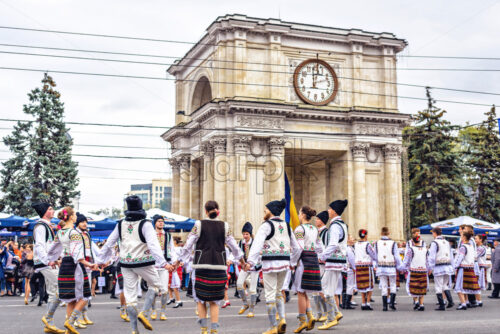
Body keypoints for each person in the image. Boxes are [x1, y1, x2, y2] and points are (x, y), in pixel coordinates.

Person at [97, 195, 170, 334]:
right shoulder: (146, 224)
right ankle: (145, 312)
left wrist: (100, 261)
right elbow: (153, 245)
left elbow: (109, 243)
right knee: (156, 286)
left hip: (125, 263)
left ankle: (134, 330)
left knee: (130, 298)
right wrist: (163, 262)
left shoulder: (120, 224)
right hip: (144, 262)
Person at [174, 200, 244, 334]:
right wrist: (242, 261)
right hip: (219, 266)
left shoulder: (198, 224)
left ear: (205, 211)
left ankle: (204, 330)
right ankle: (214, 330)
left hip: (201, 265)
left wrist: (177, 262)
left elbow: (188, 245)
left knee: (201, 300)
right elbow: (234, 247)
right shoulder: (225, 226)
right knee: (215, 301)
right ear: (218, 210)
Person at [246, 198, 300, 334]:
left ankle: (273, 326)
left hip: (270, 263)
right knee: (278, 292)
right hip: (284, 264)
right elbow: (297, 248)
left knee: (270, 294)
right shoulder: (287, 226)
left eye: (266, 209)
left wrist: (250, 262)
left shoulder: (266, 225)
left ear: (271, 211)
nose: (265, 210)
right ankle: (282, 319)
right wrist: (292, 262)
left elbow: (256, 245)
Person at [47, 207, 98, 334]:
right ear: (71, 217)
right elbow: (77, 255)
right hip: (75, 266)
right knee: (85, 296)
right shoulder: (74, 233)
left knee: (71, 299)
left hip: (64, 264)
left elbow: (53, 249)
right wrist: (90, 264)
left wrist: (53, 260)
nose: (76, 216)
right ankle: (70, 322)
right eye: (74, 214)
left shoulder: (60, 232)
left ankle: (69, 330)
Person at [32, 201, 65, 334]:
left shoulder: (47, 226)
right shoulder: (40, 226)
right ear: (45, 211)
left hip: (48, 262)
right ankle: (48, 317)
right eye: (50, 209)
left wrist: (57, 258)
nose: (53, 211)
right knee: (61, 286)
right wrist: (47, 260)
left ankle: (49, 324)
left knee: (53, 292)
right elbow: (40, 246)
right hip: (44, 263)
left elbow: (50, 245)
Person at [291, 206, 324, 333]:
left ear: (303, 215)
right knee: (304, 291)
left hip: (303, 261)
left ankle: (302, 321)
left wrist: (293, 262)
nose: (298, 215)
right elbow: (320, 247)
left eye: (299, 213)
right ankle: (310, 316)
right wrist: (320, 257)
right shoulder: (315, 229)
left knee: (300, 291)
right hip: (313, 259)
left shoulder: (300, 229)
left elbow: (298, 248)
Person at [318, 199, 349, 329]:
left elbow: (333, 244)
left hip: (333, 260)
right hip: (338, 260)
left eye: (330, 209)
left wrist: (323, 256)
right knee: (325, 287)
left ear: (334, 211)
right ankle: (335, 312)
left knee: (326, 289)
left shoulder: (335, 226)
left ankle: (331, 318)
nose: (328, 211)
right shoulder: (341, 224)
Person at [73, 213, 101, 326]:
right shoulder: (75, 234)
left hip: (88, 266)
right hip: (78, 265)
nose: (85, 224)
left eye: (86, 222)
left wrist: (101, 260)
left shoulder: (87, 234)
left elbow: (94, 249)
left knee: (86, 291)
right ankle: (76, 317)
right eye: (82, 222)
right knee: (78, 293)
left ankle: (84, 315)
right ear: (77, 223)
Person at [150, 214, 175, 321]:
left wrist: (174, 262)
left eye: (162, 221)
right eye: (159, 221)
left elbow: (172, 249)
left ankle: (163, 312)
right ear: (155, 223)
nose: (161, 223)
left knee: (164, 290)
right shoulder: (150, 235)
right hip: (152, 265)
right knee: (154, 290)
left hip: (165, 265)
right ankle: (154, 310)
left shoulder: (168, 235)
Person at [374, 227, 402, 312]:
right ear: (388, 233)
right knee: (393, 284)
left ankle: (384, 306)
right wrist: (399, 266)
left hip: (381, 266)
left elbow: (375, 255)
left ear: (381, 233)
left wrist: (376, 264)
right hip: (391, 266)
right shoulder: (393, 243)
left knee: (384, 285)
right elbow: (396, 256)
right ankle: (392, 304)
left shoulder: (377, 243)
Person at [236, 222, 261, 318]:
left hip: (254, 268)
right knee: (239, 284)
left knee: (252, 289)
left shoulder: (255, 243)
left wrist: (254, 266)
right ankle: (245, 304)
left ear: (250, 234)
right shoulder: (240, 243)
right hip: (245, 266)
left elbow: (259, 257)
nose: (245, 236)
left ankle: (251, 310)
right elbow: (237, 253)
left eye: (247, 234)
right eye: (244, 234)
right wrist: (230, 259)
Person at [427, 227, 454, 310]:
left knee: (438, 286)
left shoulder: (434, 243)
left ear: (435, 233)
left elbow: (432, 257)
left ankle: (442, 305)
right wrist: (452, 266)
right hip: (447, 265)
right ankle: (450, 301)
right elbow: (451, 255)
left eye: (432, 233)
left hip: (439, 266)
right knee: (444, 285)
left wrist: (430, 268)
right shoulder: (446, 242)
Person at [454, 228, 480, 310]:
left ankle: (463, 303)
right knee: (465, 287)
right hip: (470, 267)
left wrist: (454, 267)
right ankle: (466, 301)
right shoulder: (471, 246)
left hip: (463, 268)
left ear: (464, 237)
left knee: (459, 287)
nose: (460, 237)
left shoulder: (463, 247)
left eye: (461, 235)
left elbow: (459, 258)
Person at [403, 228, 428, 311]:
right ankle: (418, 302)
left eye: (419, 233)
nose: (418, 234)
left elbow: (407, 258)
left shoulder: (421, 244)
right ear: (413, 234)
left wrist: (403, 267)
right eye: (416, 233)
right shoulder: (410, 243)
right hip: (418, 267)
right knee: (417, 285)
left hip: (416, 267)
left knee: (415, 285)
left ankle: (418, 302)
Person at [351, 229, 376, 311]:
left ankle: (363, 303)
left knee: (362, 285)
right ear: (366, 235)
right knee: (369, 285)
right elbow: (373, 254)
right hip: (367, 266)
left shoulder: (356, 244)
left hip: (358, 265)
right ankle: (368, 303)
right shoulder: (367, 244)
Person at [311, 211, 329, 322]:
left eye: (317, 219)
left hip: (322, 264)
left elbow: (326, 247)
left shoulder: (326, 232)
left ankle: (326, 312)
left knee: (321, 289)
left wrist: (323, 258)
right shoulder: (315, 232)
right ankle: (318, 312)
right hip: (314, 262)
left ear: (322, 221)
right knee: (315, 290)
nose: (316, 220)